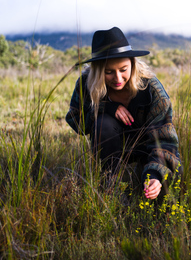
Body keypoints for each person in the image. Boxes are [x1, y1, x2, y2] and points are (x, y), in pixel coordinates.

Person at [65, 27, 181, 200]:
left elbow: (165, 137)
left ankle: (146, 171)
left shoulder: (152, 88)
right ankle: (110, 185)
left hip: (147, 147)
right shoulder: (86, 83)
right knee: (102, 124)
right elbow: (76, 120)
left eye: (123, 69)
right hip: (110, 145)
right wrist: (106, 107)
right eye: (108, 72)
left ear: (133, 64)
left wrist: (155, 174)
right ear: (97, 71)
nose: (118, 79)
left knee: (162, 190)